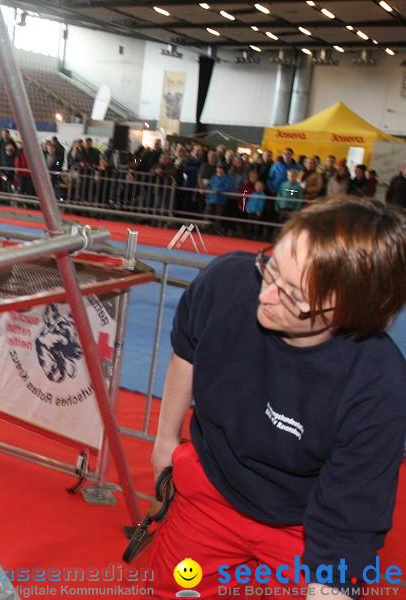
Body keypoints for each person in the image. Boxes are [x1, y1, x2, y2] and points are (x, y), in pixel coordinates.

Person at [146, 197, 406, 599]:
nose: (266, 297)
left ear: (351, 311)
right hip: (209, 494)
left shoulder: (377, 383)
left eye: (294, 296)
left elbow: (348, 524)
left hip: (303, 526)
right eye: (271, 269)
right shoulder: (228, 282)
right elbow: (187, 350)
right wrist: (165, 440)